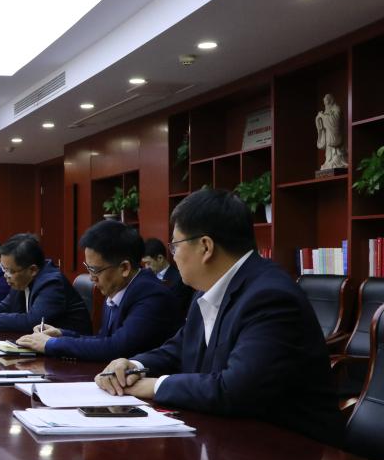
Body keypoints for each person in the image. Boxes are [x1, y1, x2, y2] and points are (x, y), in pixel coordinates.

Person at [95, 188, 343, 446]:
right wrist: (133, 366)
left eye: (175, 246)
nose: (173, 256)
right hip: (231, 438)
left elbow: (236, 389)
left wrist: (155, 386)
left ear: (205, 247)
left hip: (293, 449)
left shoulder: (269, 297)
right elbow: (181, 348)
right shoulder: (208, 288)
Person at [16, 221, 179, 360]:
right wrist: (61, 334)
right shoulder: (116, 288)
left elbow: (116, 347)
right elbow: (102, 339)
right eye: (88, 268)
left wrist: (51, 344)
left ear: (124, 268)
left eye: (95, 270)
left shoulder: (151, 295)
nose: (91, 278)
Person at [0, 233, 91, 333]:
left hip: (70, 354)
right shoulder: (21, 278)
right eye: (4, 269)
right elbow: (5, 306)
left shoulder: (52, 283)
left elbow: (32, 322)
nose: (6, 275)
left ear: (32, 270)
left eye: (10, 271)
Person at [142, 237, 193, 321]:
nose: (146, 267)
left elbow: (174, 311)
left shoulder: (178, 280)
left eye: (148, 263)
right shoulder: (146, 277)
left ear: (160, 258)